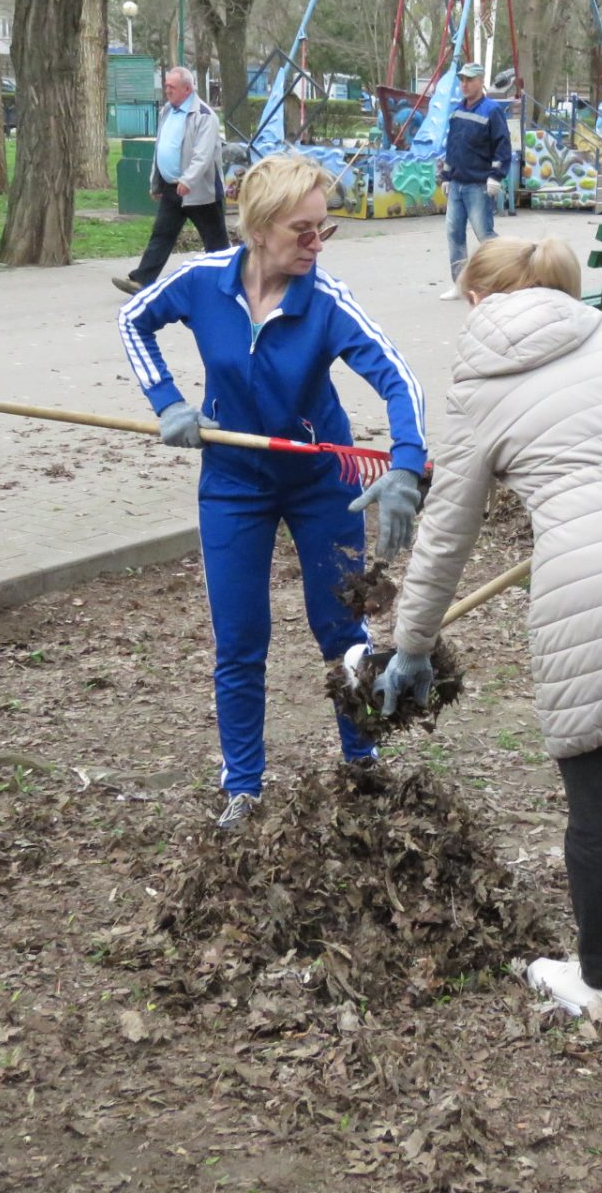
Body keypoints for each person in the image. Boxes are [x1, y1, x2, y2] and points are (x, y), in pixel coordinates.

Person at [377, 237, 602, 1020]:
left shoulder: (478, 386)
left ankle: (601, 980)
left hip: (592, 589)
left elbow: (446, 533)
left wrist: (411, 645)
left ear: (479, 301)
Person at [118, 154, 428, 828]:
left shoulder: (326, 302)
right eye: (303, 231)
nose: (317, 245)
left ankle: (363, 768)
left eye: (324, 230)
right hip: (233, 483)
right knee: (240, 637)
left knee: (341, 630)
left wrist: (405, 463)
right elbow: (133, 322)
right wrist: (168, 401)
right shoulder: (202, 283)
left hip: (324, 483)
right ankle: (244, 787)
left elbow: (401, 379)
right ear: (258, 229)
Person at [113, 66, 230, 296]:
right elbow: (161, 149)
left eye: (171, 87)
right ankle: (142, 280)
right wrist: (156, 182)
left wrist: (188, 180)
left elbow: (203, 155)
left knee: (215, 241)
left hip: (199, 190)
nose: (167, 90)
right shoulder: (167, 111)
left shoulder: (204, 116)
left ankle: (230, 281)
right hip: (171, 188)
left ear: (187, 89)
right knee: (162, 234)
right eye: (166, 86)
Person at [437, 62, 512, 299]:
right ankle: (460, 284)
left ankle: (508, 276)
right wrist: (446, 176)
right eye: (462, 80)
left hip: (479, 185)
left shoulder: (492, 110)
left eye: (469, 80)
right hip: (457, 184)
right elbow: (453, 147)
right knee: (454, 234)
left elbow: (502, 145)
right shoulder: (458, 112)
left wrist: (496, 176)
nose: (464, 84)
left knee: (486, 237)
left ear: (481, 82)